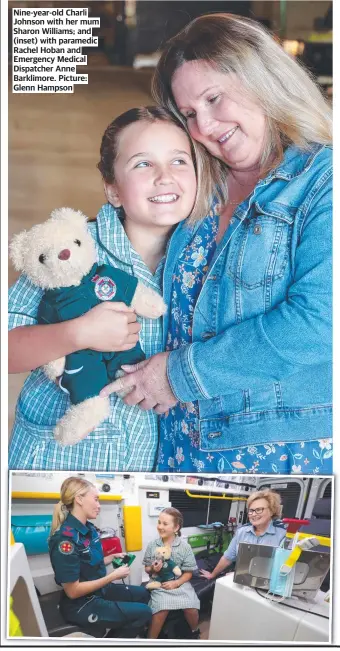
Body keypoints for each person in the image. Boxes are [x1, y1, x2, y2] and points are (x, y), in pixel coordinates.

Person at [103, 13, 333, 475]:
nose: (204, 126)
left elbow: (321, 323)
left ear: (261, 79)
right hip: (173, 447)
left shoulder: (323, 182)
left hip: (274, 457)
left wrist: (178, 375)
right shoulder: (199, 184)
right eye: (188, 114)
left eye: (213, 98)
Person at [8, 106, 220, 471]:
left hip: (154, 464)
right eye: (143, 164)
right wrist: (77, 333)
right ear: (113, 189)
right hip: (60, 458)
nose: (164, 177)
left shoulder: (213, 257)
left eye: (180, 161)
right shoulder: (67, 249)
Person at [48, 476, 151, 637]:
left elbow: (86, 564)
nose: (99, 505)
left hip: (99, 590)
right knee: (144, 613)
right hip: (82, 603)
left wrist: (110, 558)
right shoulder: (65, 539)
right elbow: (73, 591)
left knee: (143, 593)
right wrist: (112, 576)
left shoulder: (89, 528)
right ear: (79, 499)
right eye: (95, 499)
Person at [200, 489, 286, 580]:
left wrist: (240, 574)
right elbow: (227, 558)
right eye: (251, 510)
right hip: (241, 581)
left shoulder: (282, 535)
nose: (253, 514)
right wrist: (212, 575)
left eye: (259, 510)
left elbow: (282, 570)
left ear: (272, 511)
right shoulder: (242, 532)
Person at [143, 507, 200, 639]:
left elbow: (188, 573)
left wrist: (176, 582)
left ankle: (194, 631)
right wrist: (152, 569)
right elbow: (147, 568)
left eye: (165, 524)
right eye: (159, 522)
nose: (160, 527)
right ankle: (150, 642)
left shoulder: (185, 547)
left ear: (176, 528)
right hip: (159, 583)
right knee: (161, 611)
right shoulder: (153, 545)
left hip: (180, 583)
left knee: (191, 609)